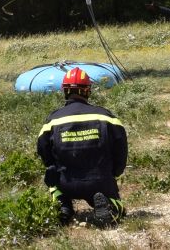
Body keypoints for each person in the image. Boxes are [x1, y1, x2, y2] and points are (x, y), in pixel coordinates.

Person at [35, 66, 127, 227]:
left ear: (64, 91)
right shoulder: (106, 117)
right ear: (88, 90)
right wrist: (114, 173)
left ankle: (63, 206)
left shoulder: (52, 120)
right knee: (116, 206)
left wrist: (55, 167)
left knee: (50, 175)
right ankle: (111, 207)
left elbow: (43, 150)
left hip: (66, 182)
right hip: (101, 180)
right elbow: (121, 148)